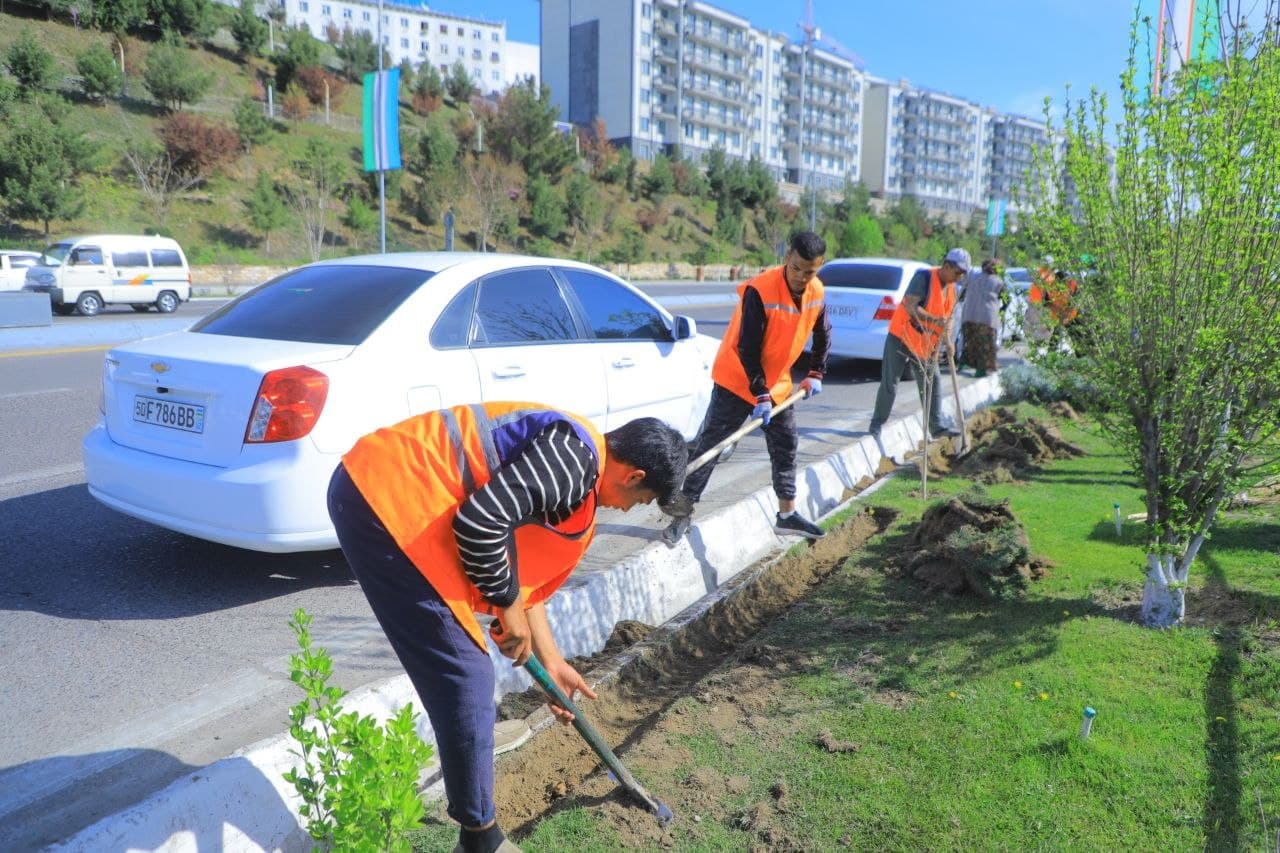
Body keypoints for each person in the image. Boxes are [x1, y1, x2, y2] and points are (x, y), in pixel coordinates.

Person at [327, 402, 689, 853]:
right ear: (634, 476)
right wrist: (507, 608)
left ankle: (477, 835)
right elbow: (480, 524)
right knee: (467, 676)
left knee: (468, 672)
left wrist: (551, 661)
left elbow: (519, 569)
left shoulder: (576, 464)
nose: (631, 508)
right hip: (386, 498)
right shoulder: (574, 463)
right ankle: (480, 839)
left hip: (390, 492)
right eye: (642, 500)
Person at [663, 230, 831, 544]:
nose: (801, 277)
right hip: (737, 379)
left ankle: (786, 514)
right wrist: (760, 394)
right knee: (712, 447)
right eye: (795, 268)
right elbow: (747, 348)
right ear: (787, 258)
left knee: (786, 447)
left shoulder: (817, 291)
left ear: (819, 267)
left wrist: (816, 373)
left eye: (809, 272)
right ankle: (681, 513)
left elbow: (823, 334)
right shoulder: (761, 290)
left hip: (777, 384)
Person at [867, 248, 971, 440]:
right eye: (958, 273)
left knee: (934, 382)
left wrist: (949, 342)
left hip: (924, 345)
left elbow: (948, 319)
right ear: (947, 266)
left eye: (963, 274)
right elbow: (911, 306)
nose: (959, 277)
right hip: (901, 336)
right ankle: (877, 424)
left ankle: (936, 427)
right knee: (890, 383)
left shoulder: (950, 289)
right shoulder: (923, 278)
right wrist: (935, 321)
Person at [958, 257, 1006, 377]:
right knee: (985, 346)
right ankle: (981, 370)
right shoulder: (998, 282)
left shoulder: (972, 277)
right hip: (987, 318)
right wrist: (1001, 310)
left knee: (969, 342)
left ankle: (962, 364)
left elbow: (961, 295)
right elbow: (1006, 299)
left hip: (969, 315)